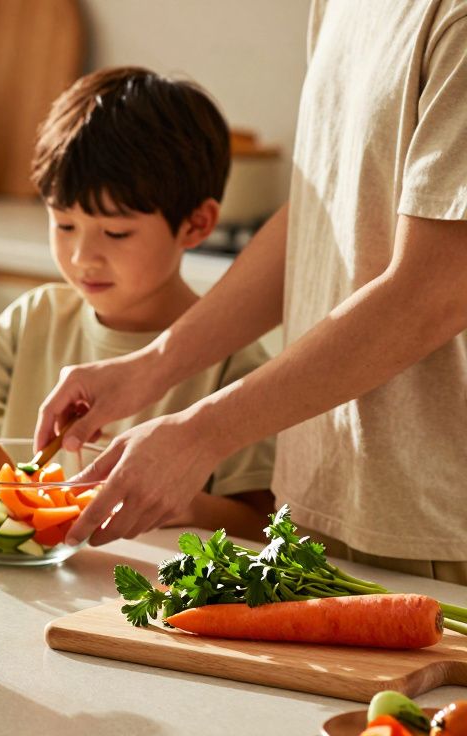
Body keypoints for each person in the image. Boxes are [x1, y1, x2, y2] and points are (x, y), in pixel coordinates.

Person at [36, 1, 467, 582]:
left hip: (434, 520)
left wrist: (201, 433)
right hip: (321, 502)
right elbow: (320, 215)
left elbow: (434, 292)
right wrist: (151, 366)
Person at [0, 67, 275, 539]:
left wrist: (181, 502)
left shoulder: (234, 362)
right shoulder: (38, 318)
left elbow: (261, 523)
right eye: (64, 225)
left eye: (116, 232)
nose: (82, 256)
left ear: (196, 224)